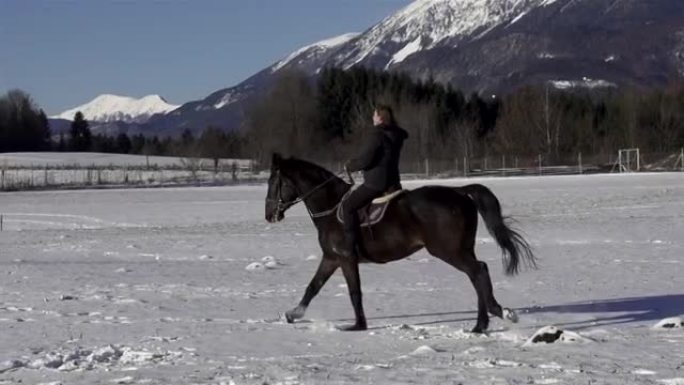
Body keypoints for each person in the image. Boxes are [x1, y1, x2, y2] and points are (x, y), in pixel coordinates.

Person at [340, 105, 408, 259]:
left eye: (374, 115)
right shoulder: (396, 135)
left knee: (348, 206)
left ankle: (350, 249)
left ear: (380, 117)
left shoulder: (377, 135)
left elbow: (366, 160)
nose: (372, 118)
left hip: (376, 183)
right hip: (393, 183)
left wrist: (350, 166)